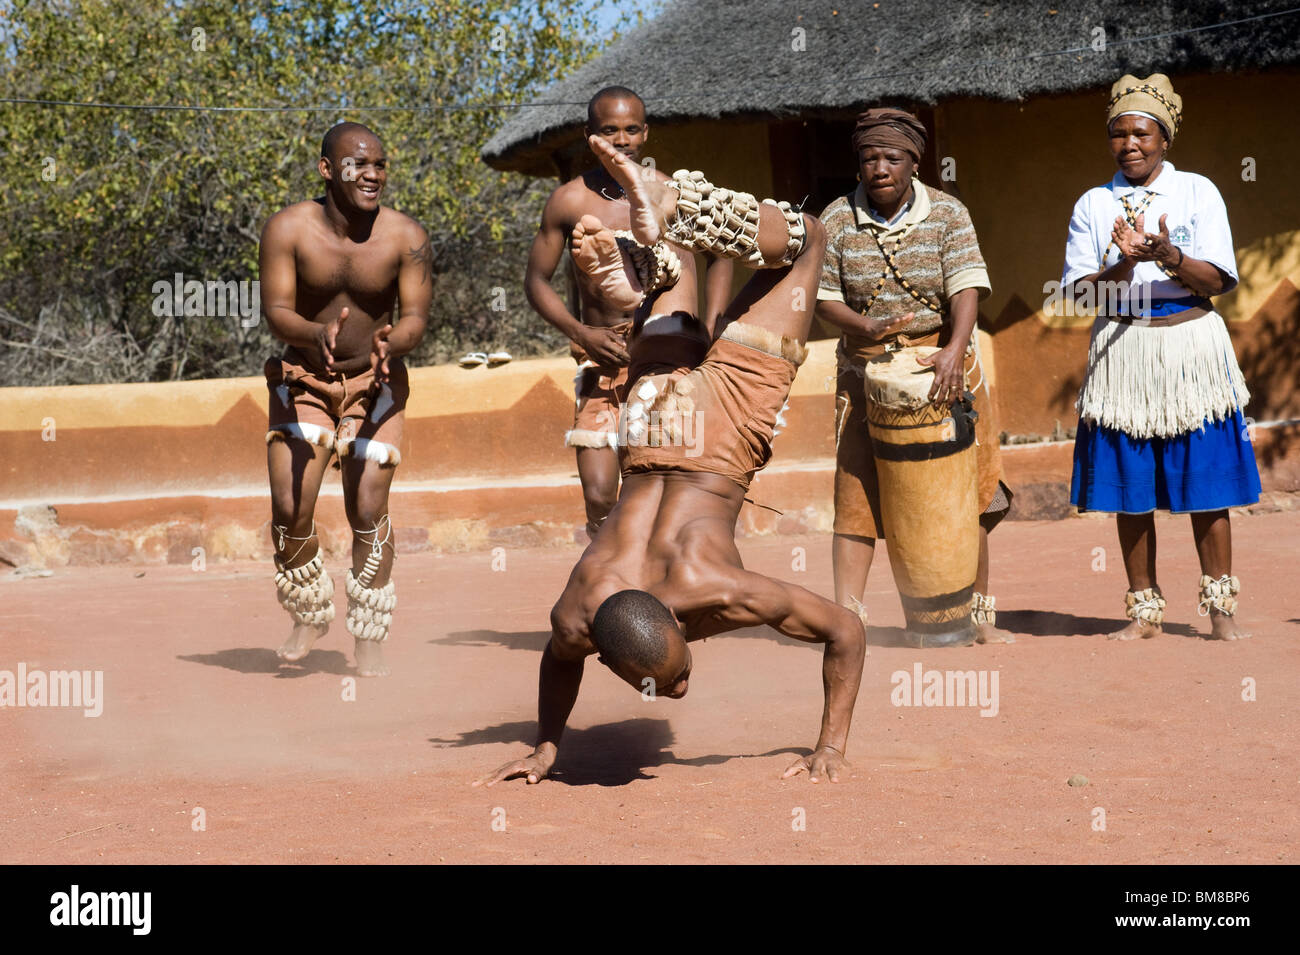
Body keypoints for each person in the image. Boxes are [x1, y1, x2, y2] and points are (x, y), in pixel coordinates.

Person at [476, 136, 865, 787]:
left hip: (725, 427)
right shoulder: (578, 605)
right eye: (677, 679)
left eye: (676, 675)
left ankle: (668, 226)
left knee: (814, 240)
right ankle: (663, 239)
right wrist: (546, 744)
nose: (682, 689)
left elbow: (846, 630)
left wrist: (833, 746)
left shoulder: (712, 590)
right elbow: (558, 655)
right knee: (705, 269)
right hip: (652, 416)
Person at [1061, 74, 1259, 641]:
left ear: (1164, 138)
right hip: (1122, 351)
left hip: (1191, 347)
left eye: (1142, 134)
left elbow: (1218, 279)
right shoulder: (1092, 204)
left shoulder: (1198, 192)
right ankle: (1143, 614)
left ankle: (1220, 612)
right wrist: (1122, 266)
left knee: (1208, 484)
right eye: (1119, 135)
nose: (1130, 145)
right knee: (1131, 488)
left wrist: (1169, 254)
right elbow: (1080, 293)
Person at [814, 107, 1013, 646]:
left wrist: (953, 350)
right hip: (864, 372)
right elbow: (824, 298)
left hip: (943, 366)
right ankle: (846, 622)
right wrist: (866, 325)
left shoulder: (948, 213)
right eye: (869, 158)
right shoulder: (835, 220)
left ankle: (978, 618)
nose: (880, 168)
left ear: (914, 163)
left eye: (892, 158)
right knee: (856, 496)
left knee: (967, 492)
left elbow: (967, 287)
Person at [258, 122, 432, 676]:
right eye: (359, 164)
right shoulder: (288, 228)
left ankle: (369, 633)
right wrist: (313, 335)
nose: (373, 174)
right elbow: (277, 310)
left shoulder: (408, 237)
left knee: (367, 505)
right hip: (303, 379)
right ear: (328, 169)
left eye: (380, 164)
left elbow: (416, 319)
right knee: (290, 508)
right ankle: (309, 609)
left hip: (376, 386)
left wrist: (392, 343)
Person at [524, 86, 731, 538]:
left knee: (666, 483)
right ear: (589, 135)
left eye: (631, 129)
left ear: (646, 133)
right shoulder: (569, 201)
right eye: (609, 130)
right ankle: (612, 584)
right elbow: (535, 281)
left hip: (669, 354)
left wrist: (714, 326)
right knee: (599, 492)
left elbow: (721, 254)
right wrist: (581, 332)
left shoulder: (672, 193)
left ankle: (658, 589)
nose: (622, 140)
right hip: (602, 354)